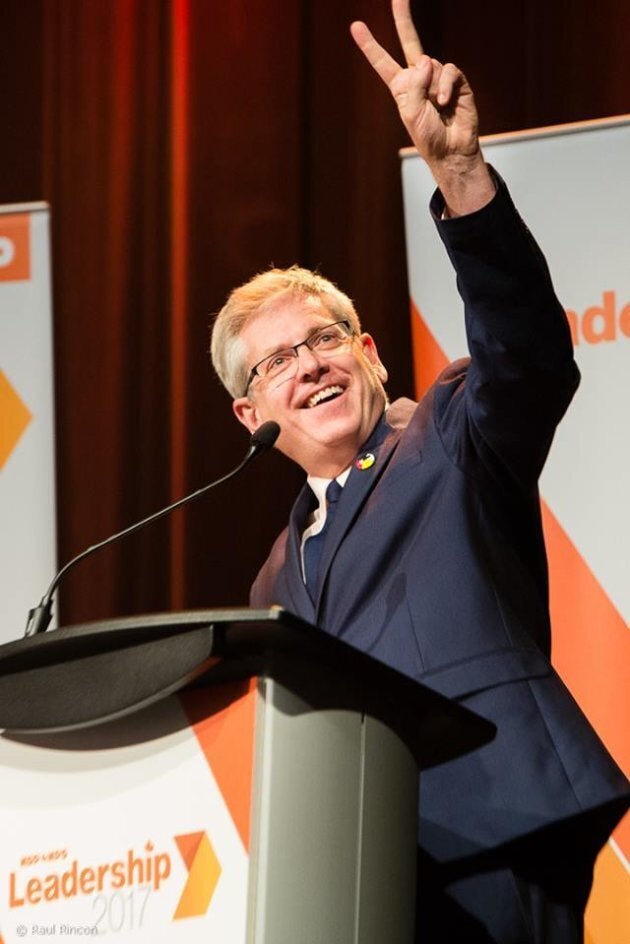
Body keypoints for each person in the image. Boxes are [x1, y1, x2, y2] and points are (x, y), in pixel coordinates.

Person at [210, 1, 629, 940]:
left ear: (370, 353)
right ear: (251, 414)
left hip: (494, 824)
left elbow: (526, 355)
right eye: (276, 362)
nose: (309, 364)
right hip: (351, 866)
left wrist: (462, 175)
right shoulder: (275, 575)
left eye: (323, 340)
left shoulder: (445, 431)